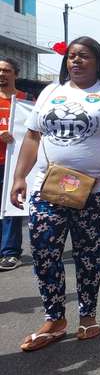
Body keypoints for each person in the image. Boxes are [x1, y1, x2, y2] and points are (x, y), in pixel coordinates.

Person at [10, 37, 100, 351]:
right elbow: (31, 137)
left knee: (87, 254)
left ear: (98, 61)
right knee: (44, 252)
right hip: (47, 188)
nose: (76, 61)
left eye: (83, 56)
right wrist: (19, 176)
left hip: (95, 191)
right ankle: (55, 318)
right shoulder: (50, 92)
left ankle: (87, 315)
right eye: (71, 57)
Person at [0, 56, 27, 271]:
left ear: (15, 74)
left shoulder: (27, 101)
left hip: (14, 164)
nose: (2, 74)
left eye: (7, 70)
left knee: (11, 208)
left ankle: (10, 253)